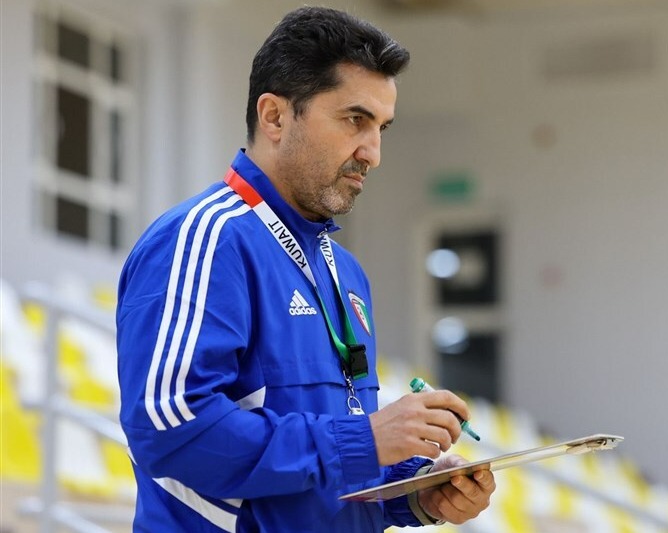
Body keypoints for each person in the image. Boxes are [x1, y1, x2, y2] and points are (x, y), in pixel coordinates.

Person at [116, 6, 496, 532]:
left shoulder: (346, 273)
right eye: (355, 120)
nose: (373, 153)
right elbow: (171, 431)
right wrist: (365, 441)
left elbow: (324, 467)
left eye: (382, 127)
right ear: (275, 117)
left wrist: (413, 492)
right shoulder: (205, 239)